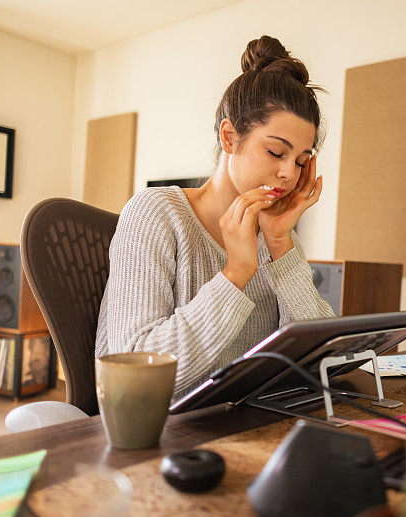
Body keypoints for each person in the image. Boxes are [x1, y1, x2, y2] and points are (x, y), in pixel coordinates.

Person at [95, 35, 335, 400]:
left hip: (246, 422)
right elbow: (135, 375)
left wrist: (282, 247)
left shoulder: (274, 234)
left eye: (301, 161)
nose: (289, 174)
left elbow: (321, 361)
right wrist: (235, 274)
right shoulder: (155, 213)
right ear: (229, 136)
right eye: (275, 152)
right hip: (164, 435)